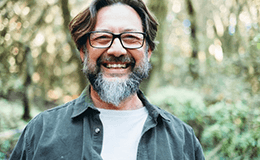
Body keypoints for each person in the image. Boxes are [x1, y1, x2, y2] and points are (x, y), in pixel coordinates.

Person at [10, 0, 205, 159]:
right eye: (102, 37)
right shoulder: (41, 132)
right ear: (83, 52)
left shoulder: (183, 141)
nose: (117, 50)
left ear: (148, 52)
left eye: (130, 37)